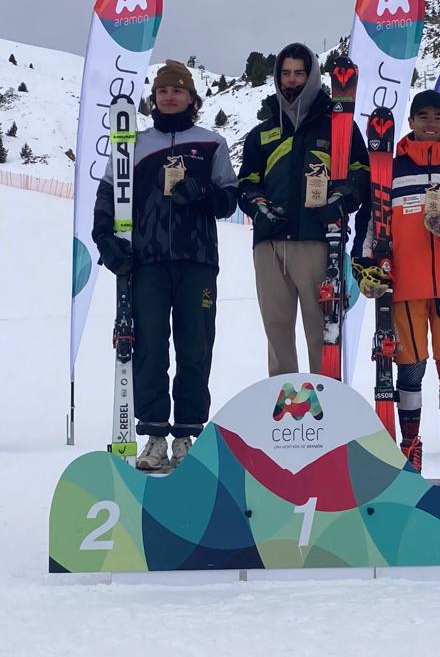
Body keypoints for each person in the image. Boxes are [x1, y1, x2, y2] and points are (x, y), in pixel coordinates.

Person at [92, 60, 239, 471]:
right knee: (150, 347)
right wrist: (105, 239)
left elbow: (230, 199)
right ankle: (155, 436)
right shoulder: (133, 144)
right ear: (153, 98)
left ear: (192, 97)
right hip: (147, 262)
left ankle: (186, 435)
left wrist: (204, 192)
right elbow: (108, 194)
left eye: (177, 90)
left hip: (197, 260)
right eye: (162, 91)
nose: (169, 96)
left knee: (195, 347)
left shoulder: (211, 143)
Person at [352, 90, 440, 483]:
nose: (431, 123)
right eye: (423, 116)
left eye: (438, 117)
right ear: (411, 121)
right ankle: (410, 446)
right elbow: (369, 226)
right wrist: (363, 267)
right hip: (405, 287)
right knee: (410, 371)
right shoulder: (391, 172)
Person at [238, 43, 369, 376]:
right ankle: (284, 400)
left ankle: (326, 400)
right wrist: (258, 207)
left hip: (318, 240)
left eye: (299, 73)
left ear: (311, 77)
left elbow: (361, 173)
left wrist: (341, 199)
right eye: (286, 73)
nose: (292, 80)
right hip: (270, 243)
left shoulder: (337, 126)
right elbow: (247, 182)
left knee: (321, 331)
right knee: (276, 332)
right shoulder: (262, 133)